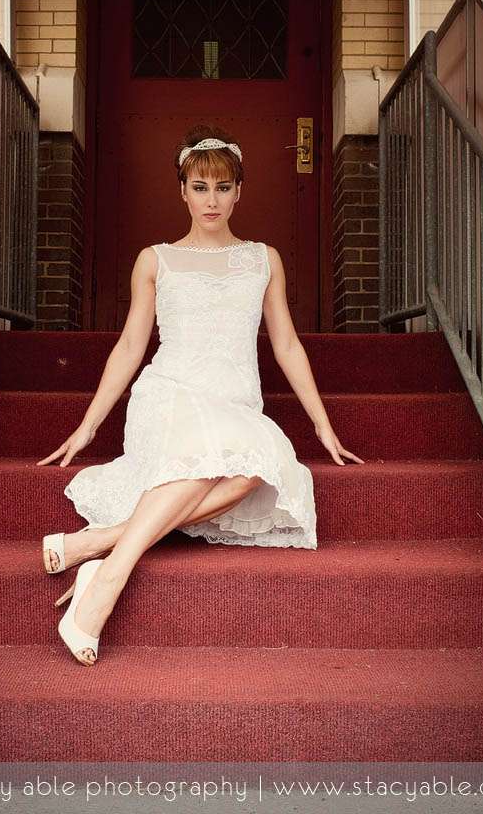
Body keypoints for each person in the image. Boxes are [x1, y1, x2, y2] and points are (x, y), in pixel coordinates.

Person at [37, 125, 365, 666]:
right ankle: (109, 580)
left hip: (233, 407)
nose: (211, 200)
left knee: (257, 468)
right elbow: (130, 347)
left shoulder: (263, 259)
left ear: (239, 192)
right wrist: (88, 425)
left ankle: (98, 544)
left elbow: (285, 343)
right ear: (182, 192)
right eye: (199, 187)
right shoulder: (155, 259)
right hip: (169, 395)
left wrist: (323, 423)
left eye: (222, 187)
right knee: (211, 462)